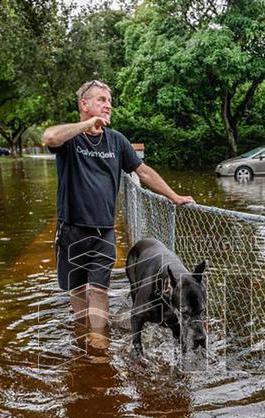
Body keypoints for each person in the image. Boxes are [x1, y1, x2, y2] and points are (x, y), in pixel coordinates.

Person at [42, 79, 195, 351]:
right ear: (84, 104)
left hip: (104, 230)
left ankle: (98, 346)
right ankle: (82, 337)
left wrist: (174, 196)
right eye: (101, 99)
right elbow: (49, 137)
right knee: (77, 291)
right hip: (71, 230)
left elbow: (143, 172)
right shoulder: (70, 139)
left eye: (109, 100)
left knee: (99, 290)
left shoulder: (116, 141)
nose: (108, 104)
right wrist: (87, 125)